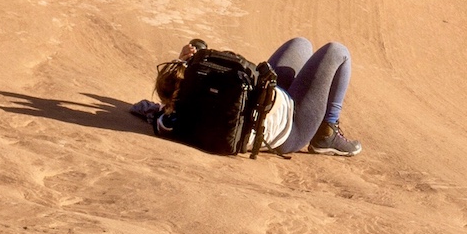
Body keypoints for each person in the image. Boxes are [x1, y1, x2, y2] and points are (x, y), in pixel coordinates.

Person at [136, 36, 362, 156]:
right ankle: (327, 131)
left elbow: (154, 109)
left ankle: (325, 127)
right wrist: (187, 59)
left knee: (300, 44)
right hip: (292, 128)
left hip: (269, 97)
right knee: (337, 51)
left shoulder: (170, 121)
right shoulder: (195, 94)